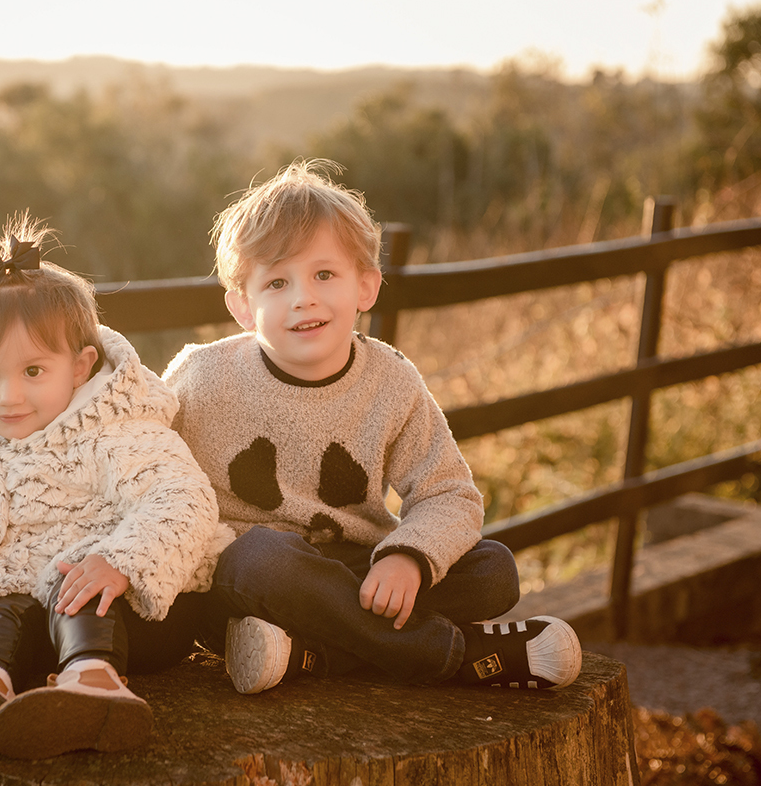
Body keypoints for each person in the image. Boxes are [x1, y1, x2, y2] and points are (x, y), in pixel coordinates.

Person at [163, 160, 582, 695]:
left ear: (366, 286)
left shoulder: (391, 380)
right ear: (243, 306)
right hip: (248, 581)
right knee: (261, 558)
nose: (303, 298)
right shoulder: (202, 377)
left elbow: (449, 493)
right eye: (276, 282)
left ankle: (310, 656)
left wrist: (408, 556)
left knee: (493, 570)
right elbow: (145, 461)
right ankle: (451, 654)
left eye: (324, 274)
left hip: (359, 573)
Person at [0, 213, 232, 759]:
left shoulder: (113, 431)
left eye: (33, 371)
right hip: (33, 621)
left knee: (74, 580)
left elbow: (185, 501)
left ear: (80, 368)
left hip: (141, 612)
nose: (8, 396)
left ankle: (95, 684)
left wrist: (122, 561)